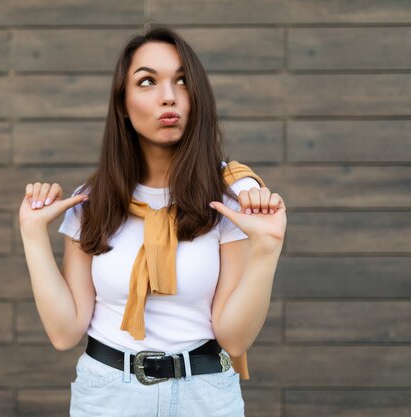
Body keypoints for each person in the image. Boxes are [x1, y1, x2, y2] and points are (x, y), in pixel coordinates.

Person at [18, 23, 287, 417]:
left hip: (206, 395)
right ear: (123, 105)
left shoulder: (228, 199)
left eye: (181, 81)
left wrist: (267, 251)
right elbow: (65, 332)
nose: (168, 97)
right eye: (147, 82)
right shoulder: (92, 202)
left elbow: (234, 338)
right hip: (107, 395)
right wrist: (32, 234)